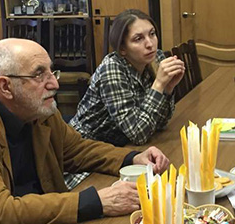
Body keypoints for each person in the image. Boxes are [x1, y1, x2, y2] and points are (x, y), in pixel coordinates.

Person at [0, 38, 171, 224]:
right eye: (39, 75)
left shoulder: (36, 108)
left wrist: (132, 158)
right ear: (5, 86)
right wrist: (95, 202)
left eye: (51, 71)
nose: (54, 84)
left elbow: (76, 150)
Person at [70, 9, 185, 146]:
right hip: (87, 146)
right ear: (122, 49)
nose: (150, 44)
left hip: (122, 143)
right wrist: (159, 84)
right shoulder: (112, 69)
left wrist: (168, 89)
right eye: (138, 39)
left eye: (152, 34)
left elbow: (160, 123)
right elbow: (138, 134)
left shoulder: (155, 58)